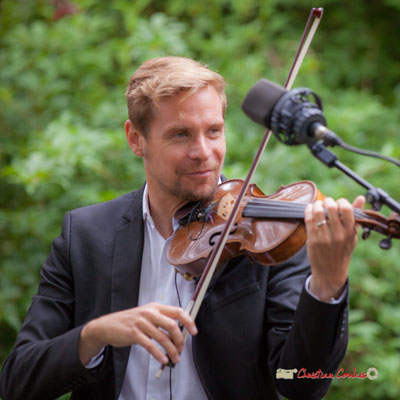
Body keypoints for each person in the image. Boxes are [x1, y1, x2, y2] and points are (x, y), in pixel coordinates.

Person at [0, 56, 364, 400]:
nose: (203, 151)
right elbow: (17, 381)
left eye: (213, 131)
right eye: (180, 135)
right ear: (135, 139)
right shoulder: (85, 235)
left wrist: (327, 285)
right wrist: (95, 334)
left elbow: (300, 384)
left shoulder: (268, 235)